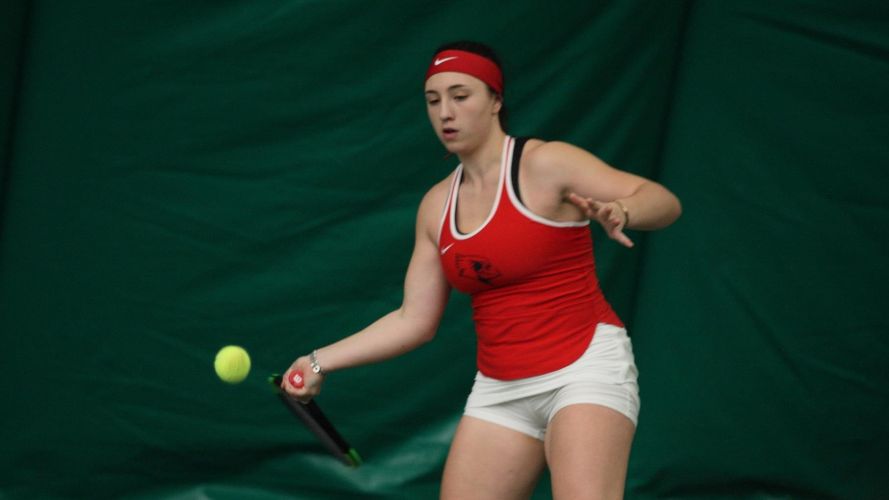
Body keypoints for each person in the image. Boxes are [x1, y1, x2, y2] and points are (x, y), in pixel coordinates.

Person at [282, 40, 682, 500]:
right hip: (500, 389)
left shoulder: (546, 164)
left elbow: (664, 202)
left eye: (460, 95)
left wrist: (624, 211)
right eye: (433, 101)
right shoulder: (436, 207)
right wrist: (318, 360)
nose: (445, 113)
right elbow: (413, 320)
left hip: (583, 369)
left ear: (495, 101)